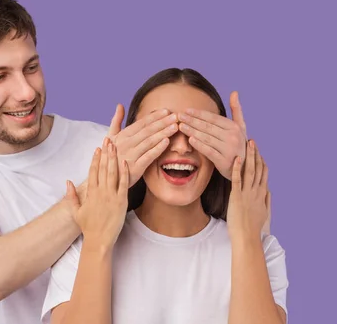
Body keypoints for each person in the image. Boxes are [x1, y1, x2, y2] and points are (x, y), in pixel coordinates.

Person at [0, 0, 255, 324]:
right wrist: (105, 182)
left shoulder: (108, 143)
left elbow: (211, 237)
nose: (25, 92)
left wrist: (240, 171)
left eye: (31, 67)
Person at [41, 68, 288, 324]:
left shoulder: (262, 252)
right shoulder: (80, 251)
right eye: (160, 130)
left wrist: (247, 237)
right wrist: (98, 241)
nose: (181, 146)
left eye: (200, 131)